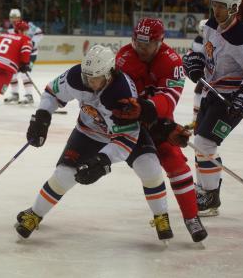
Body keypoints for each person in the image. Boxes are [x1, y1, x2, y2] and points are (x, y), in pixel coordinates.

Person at [15, 45, 195, 242]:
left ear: (110, 74)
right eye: (87, 76)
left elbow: (125, 140)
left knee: (150, 167)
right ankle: (34, 213)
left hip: (125, 135)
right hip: (88, 132)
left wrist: (103, 162)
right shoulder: (77, 76)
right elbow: (52, 93)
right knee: (64, 175)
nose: (90, 81)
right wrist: (42, 116)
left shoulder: (122, 93)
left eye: (96, 77)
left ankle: (161, 216)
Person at [114, 17, 207, 241]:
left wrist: (158, 120)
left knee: (176, 164)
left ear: (161, 41)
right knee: (150, 170)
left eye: (147, 44)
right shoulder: (124, 57)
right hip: (128, 124)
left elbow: (169, 100)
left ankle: (191, 217)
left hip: (158, 122)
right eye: (137, 42)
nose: (141, 48)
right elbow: (117, 97)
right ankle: (160, 215)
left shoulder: (172, 61)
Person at [182, 0, 243, 216]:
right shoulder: (211, 24)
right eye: (214, 5)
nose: (216, 11)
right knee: (201, 145)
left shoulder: (242, 36)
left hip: (230, 100)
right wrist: (196, 62)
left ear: (233, 8)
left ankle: (211, 198)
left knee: (205, 143)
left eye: (222, 6)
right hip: (212, 93)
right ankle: (205, 189)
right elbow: (206, 51)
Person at [4, 9, 44, 105]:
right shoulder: (9, 29)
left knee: (24, 73)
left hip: (31, 54)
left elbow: (39, 33)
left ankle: (29, 96)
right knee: (12, 73)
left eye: (15, 17)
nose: (13, 19)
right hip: (19, 55)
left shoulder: (28, 25)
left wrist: (32, 42)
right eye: (11, 17)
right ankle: (15, 94)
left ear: (19, 17)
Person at [187, 19, 209, 128]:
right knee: (199, 91)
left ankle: (198, 120)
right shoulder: (199, 40)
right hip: (207, 71)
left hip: (213, 71)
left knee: (201, 92)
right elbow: (192, 53)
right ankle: (197, 120)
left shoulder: (204, 39)